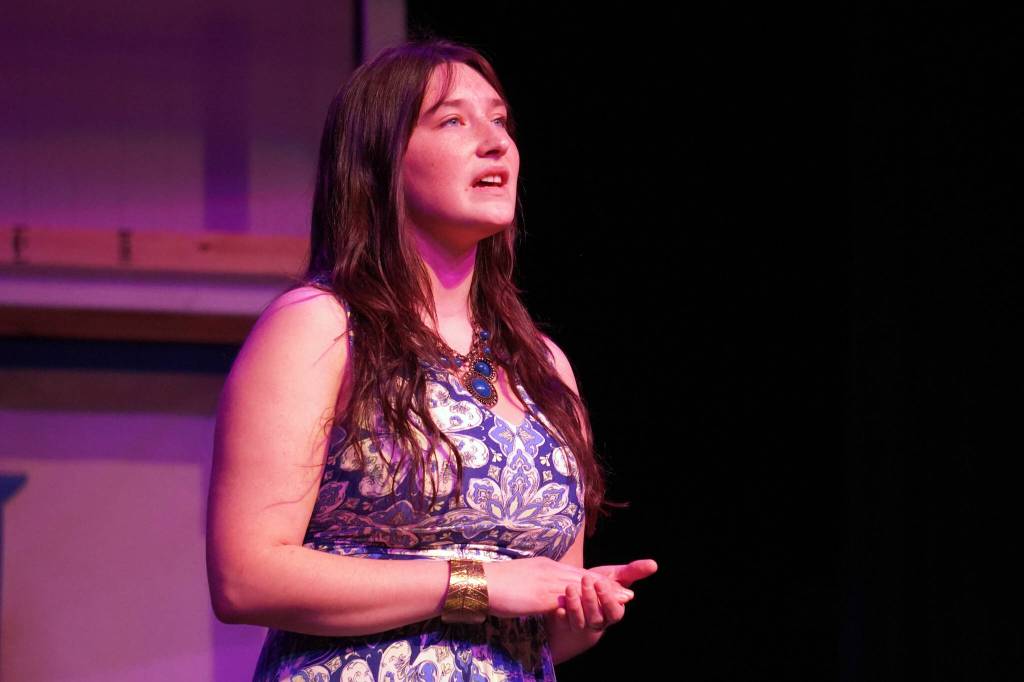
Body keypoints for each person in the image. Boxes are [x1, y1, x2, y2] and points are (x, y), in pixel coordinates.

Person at [205, 37, 658, 681]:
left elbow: (535, 616)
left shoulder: (544, 366)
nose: (494, 141)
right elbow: (245, 578)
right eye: (453, 120)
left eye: (500, 121)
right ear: (381, 162)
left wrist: (577, 611)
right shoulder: (322, 326)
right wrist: (474, 582)